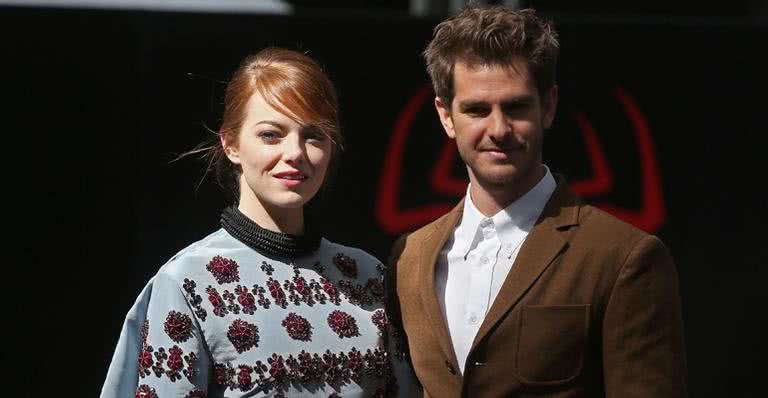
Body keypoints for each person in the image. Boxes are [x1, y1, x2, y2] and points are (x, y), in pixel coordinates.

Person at [386, 6, 687, 397]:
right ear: (445, 115)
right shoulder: (409, 257)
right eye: (476, 109)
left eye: (516, 107)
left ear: (548, 106)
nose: (498, 129)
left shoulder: (624, 257)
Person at [102, 48, 417, 397]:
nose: (295, 152)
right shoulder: (188, 282)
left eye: (314, 135)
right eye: (271, 134)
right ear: (231, 144)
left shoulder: (368, 276)